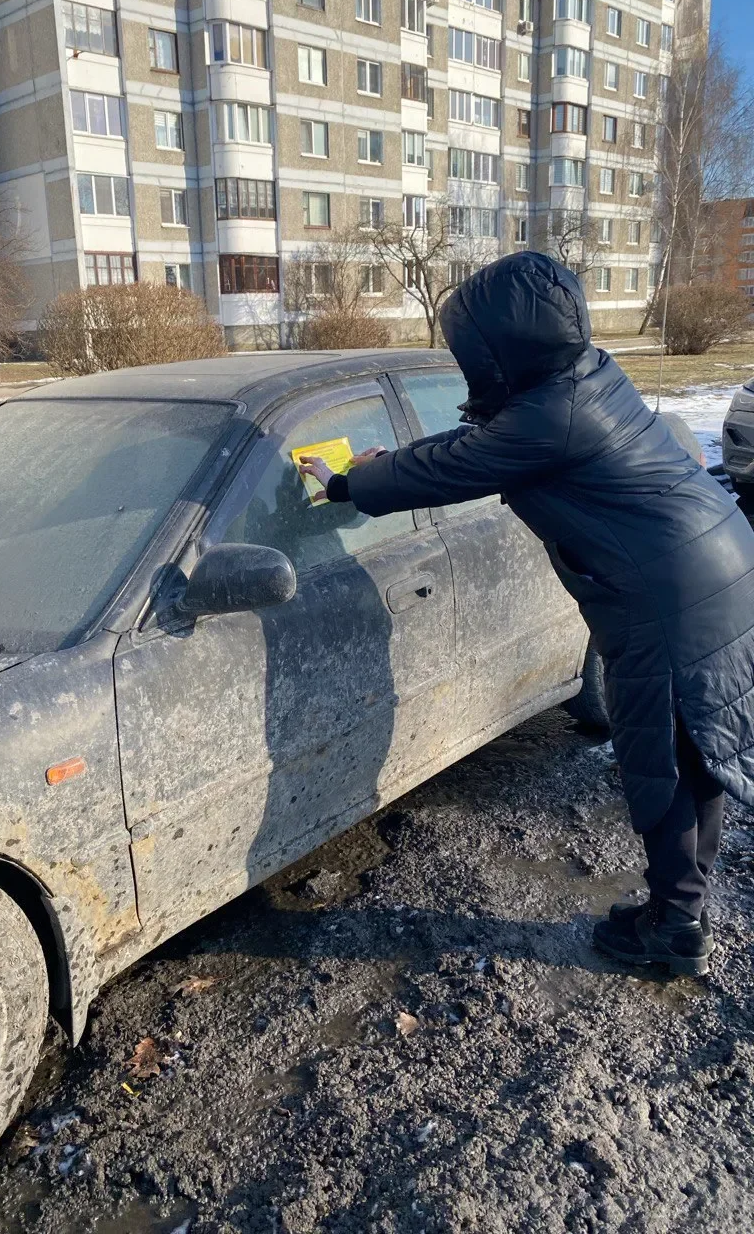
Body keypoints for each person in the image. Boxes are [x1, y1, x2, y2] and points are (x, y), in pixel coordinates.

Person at [300, 252, 754, 978]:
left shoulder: (553, 415)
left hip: (669, 594)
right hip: (715, 561)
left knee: (665, 759)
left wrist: (352, 481)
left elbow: (457, 466)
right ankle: (682, 910)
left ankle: (673, 930)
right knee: (693, 751)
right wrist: (396, 459)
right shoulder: (581, 377)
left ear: (499, 347)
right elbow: (483, 444)